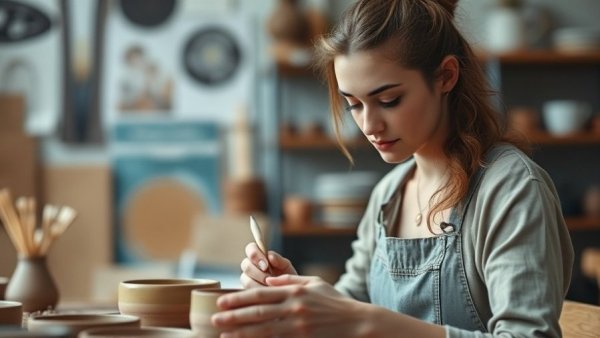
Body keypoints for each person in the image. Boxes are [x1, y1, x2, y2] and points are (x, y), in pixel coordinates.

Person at [211, 0, 574, 337]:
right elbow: (351, 302)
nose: (368, 125)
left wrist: (367, 322)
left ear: (446, 76)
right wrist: (294, 294)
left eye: (388, 100)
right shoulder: (389, 194)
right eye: (353, 104)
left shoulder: (510, 189)